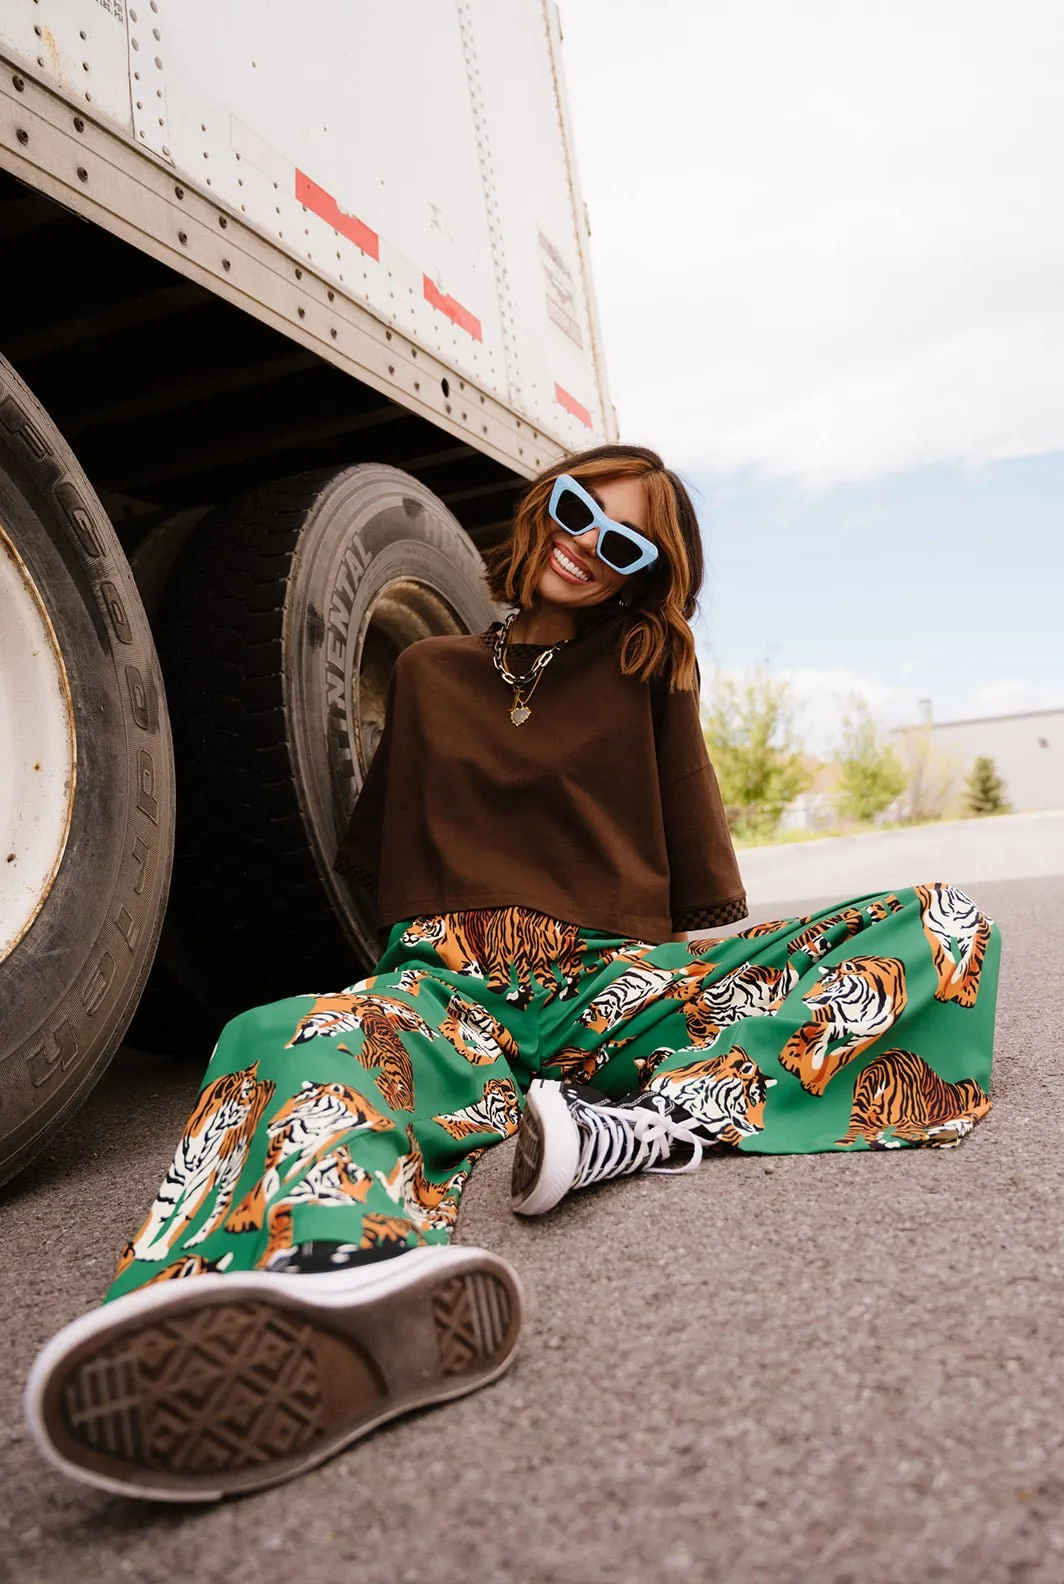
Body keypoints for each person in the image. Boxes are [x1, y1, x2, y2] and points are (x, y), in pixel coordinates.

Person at [25, 444, 999, 1502]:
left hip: (607, 986)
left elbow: (694, 887)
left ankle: (649, 1126)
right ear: (546, 501)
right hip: (454, 986)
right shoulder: (430, 671)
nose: (586, 547)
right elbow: (385, 867)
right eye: (579, 511)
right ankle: (341, 1269)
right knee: (280, 1030)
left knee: (941, 924)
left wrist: (707, 999)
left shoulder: (643, 666)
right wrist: (384, 1007)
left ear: (639, 576)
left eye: (621, 544)